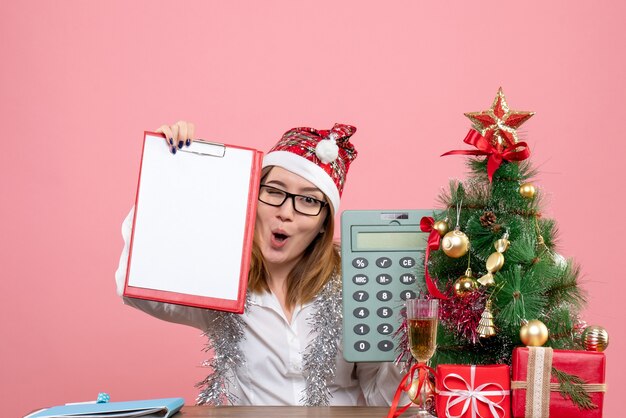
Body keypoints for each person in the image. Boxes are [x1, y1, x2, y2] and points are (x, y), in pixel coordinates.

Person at [115, 121, 406, 406]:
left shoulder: (355, 286)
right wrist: (170, 173)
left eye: (308, 200)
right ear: (253, 198)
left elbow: (382, 400)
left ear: (323, 223)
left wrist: (399, 336)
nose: (286, 213)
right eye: (275, 191)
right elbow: (134, 286)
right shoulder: (221, 278)